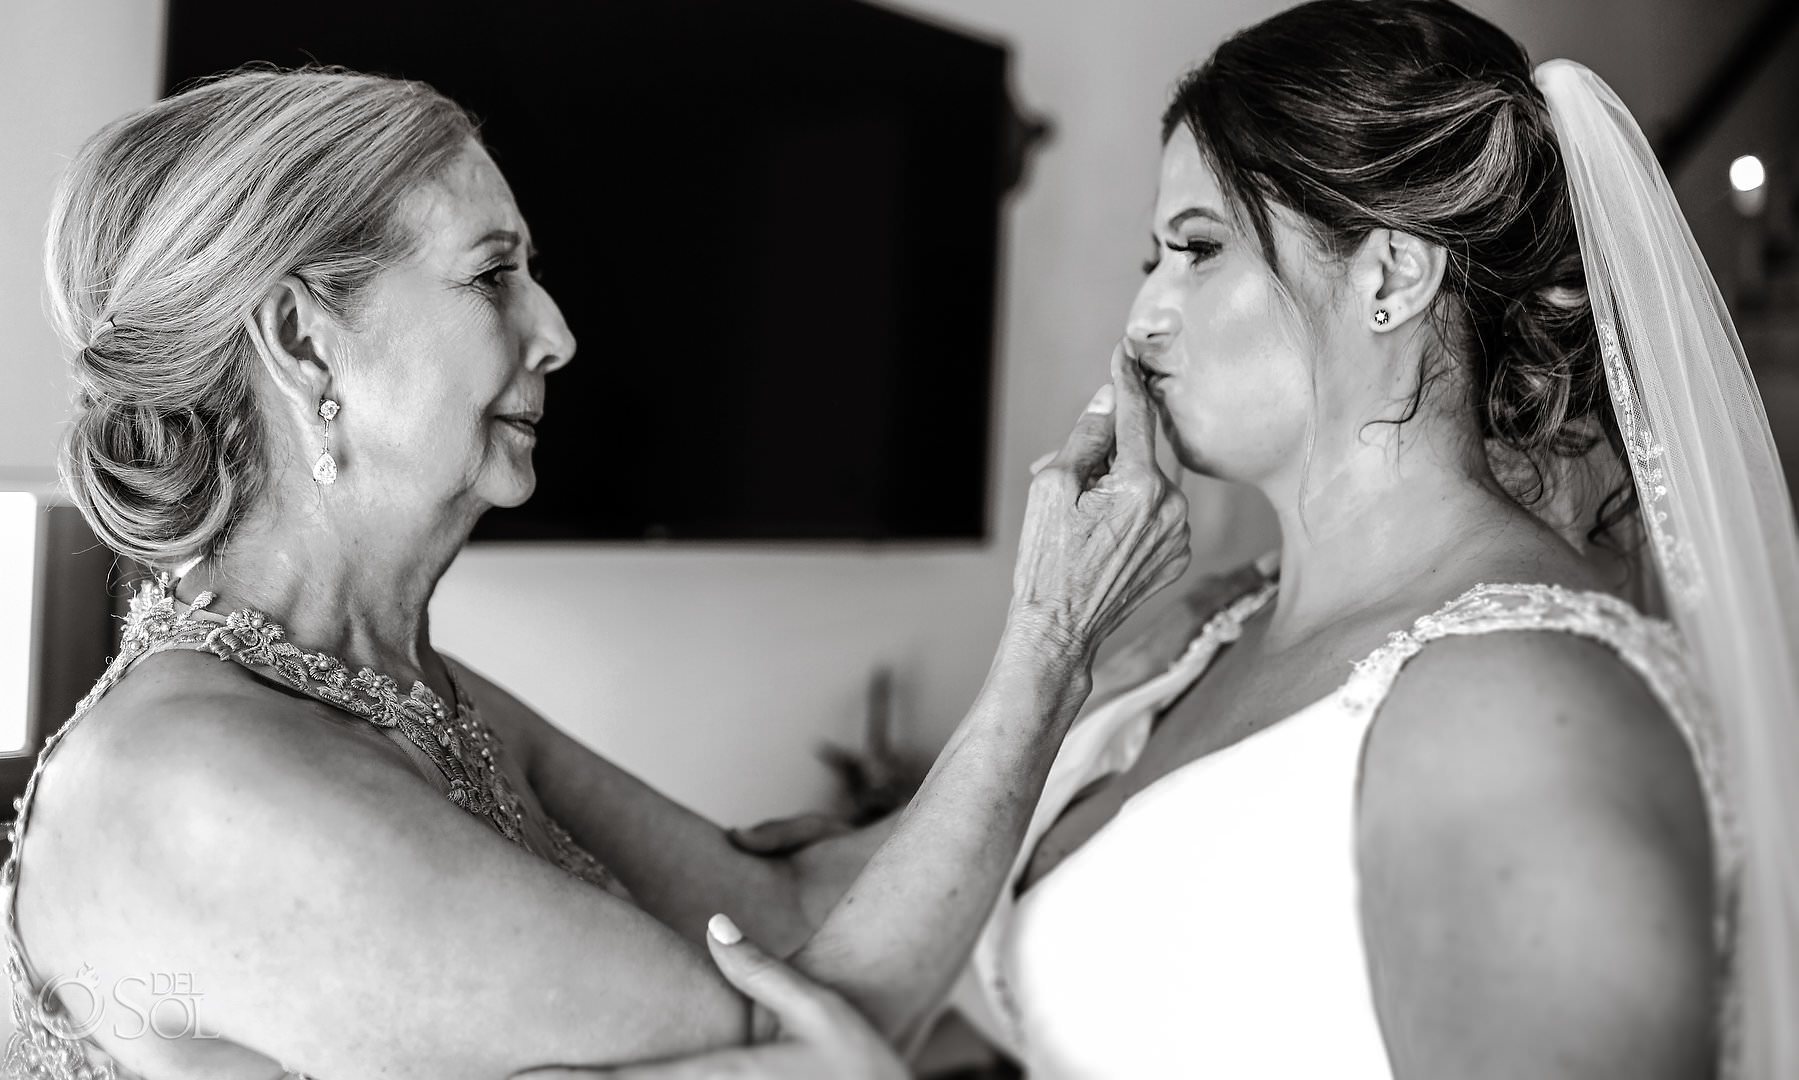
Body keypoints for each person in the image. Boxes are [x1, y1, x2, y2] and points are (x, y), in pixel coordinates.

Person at [610, 0, 1799, 1079]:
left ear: (1390, 273)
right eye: (1153, 257)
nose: (1143, 315)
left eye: (1196, 248)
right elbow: (813, 907)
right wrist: (430, 690)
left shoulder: (1520, 714)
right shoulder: (1199, 638)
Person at [1, 67, 1192, 1079]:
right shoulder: (204, 786)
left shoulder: (390, 687)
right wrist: (1047, 646)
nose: (558, 333)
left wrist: (1129, 703)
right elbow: (819, 1045)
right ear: (306, 341)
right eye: (491, 276)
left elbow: (779, 915)